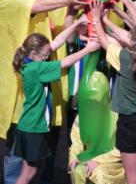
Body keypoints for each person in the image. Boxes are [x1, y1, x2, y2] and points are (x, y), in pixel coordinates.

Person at [0, 0, 89, 184]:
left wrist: (73, 16)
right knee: (18, 160)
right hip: (20, 99)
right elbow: (36, 5)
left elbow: (59, 39)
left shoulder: (35, 1)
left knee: (44, 159)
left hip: (46, 97)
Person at [12, 17, 99, 184]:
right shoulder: (37, 68)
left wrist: (74, 24)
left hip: (32, 126)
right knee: (27, 174)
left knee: (37, 169)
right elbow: (65, 62)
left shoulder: (32, 62)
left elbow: (55, 43)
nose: (47, 57)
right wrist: (88, 49)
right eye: (45, 56)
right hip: (33, 127)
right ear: (34, 54)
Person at [89, 0, 136, 184]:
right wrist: (106, 21)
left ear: (133, 42)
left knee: (133, 177)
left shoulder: (124, 58)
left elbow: (104, 41)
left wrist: (97, 19)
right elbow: (133, 38)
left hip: (131, 123)